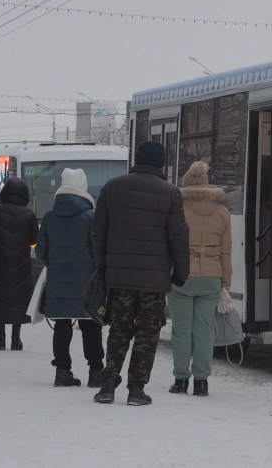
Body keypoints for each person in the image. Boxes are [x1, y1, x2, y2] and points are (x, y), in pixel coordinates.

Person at [91, 141, 189, 406]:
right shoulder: (171, 193)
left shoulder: (113, 187)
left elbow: (98, 231)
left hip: (119, 278)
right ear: (160, 163)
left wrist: (103, 266)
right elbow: (178, 237)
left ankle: (108, 384)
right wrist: (181, 273)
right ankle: (136, 389)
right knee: (148, 333)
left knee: (119, 329)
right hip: (154, 281)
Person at [36, 168, 105, 388]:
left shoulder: (49, 217)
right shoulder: (91, 217)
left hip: (58, 281)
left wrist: (56, 264)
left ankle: (62, 371)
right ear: (83, 188)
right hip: (87, 283)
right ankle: (95, 372)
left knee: (62, 325)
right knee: (91, 326)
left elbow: (41, 253)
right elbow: (99, 251)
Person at [169, 161, 231, 397]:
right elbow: (226, 251)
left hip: (182, 276)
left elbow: (170, 244)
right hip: (211, 278)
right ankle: (202, 382)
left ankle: (180, 380)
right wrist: (226, 283)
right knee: (205, 330)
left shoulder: (178, 209)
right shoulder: (222, 212)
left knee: (182, 331)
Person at [0, 177, 39, 351]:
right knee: (19, 297)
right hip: (21, 264)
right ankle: (16, 338)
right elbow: (34, 239)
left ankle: (0, 338)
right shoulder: (29, 215)